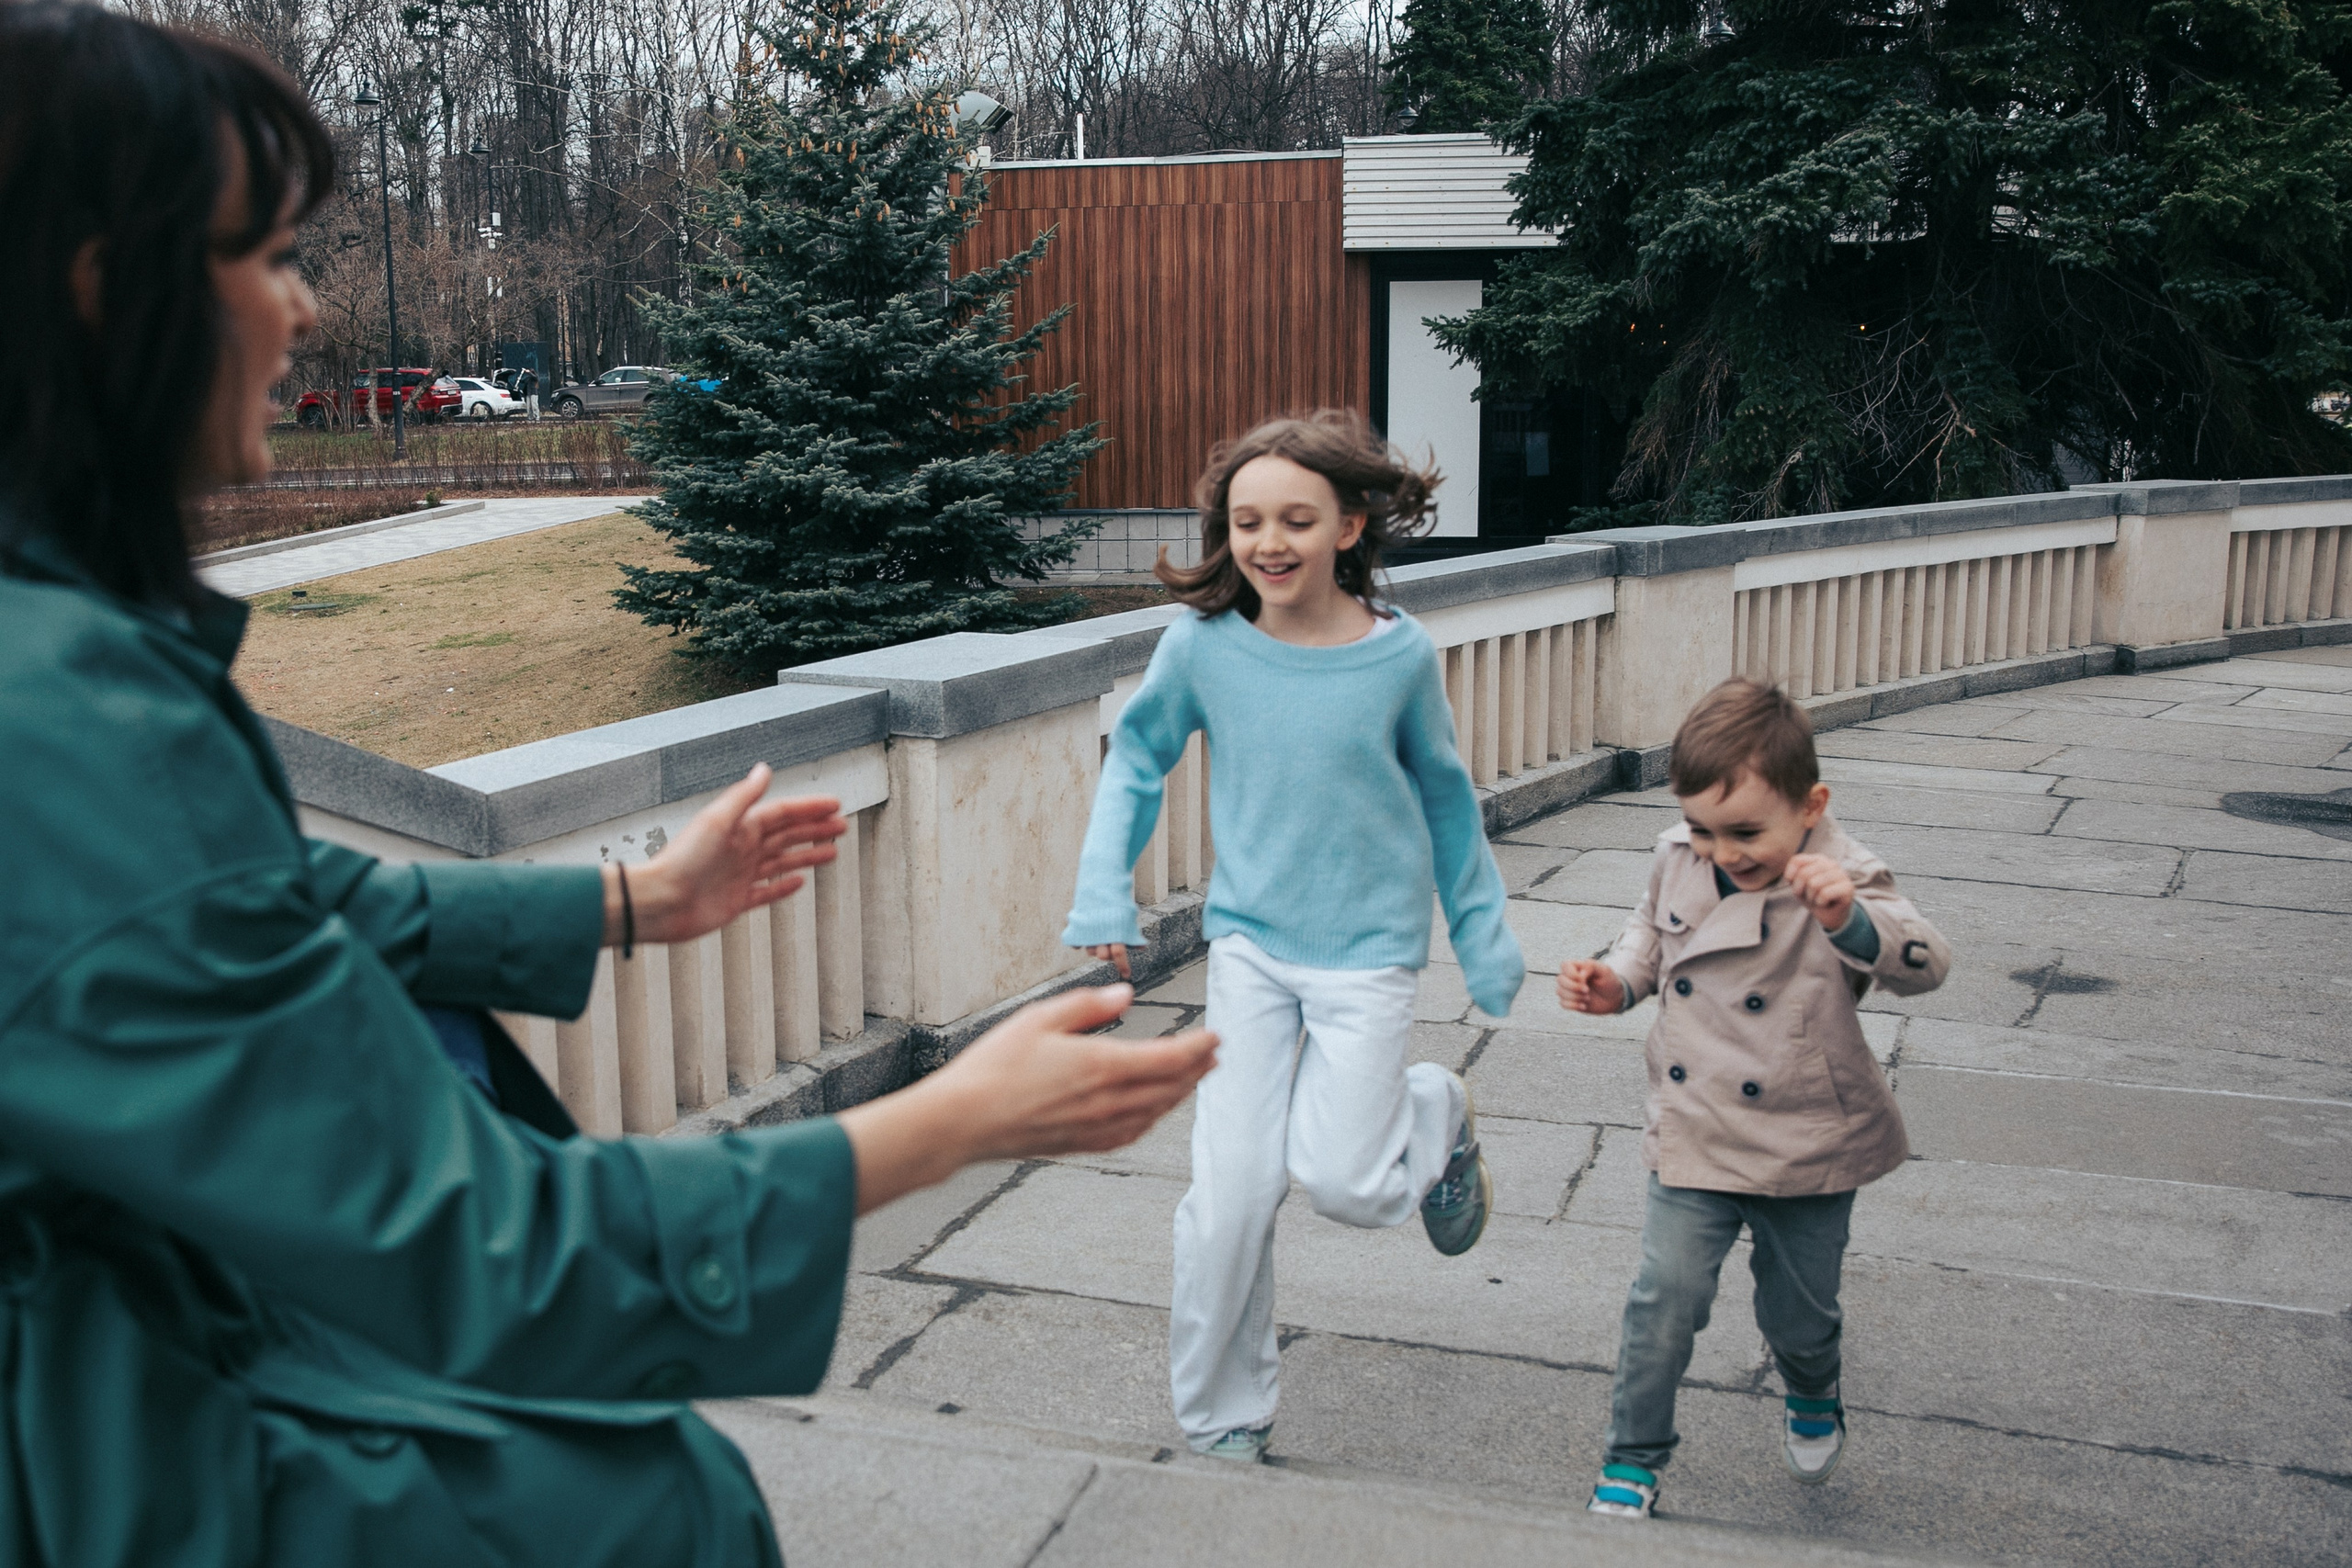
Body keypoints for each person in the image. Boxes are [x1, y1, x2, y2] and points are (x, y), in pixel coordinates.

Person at [0, 6, 1216, 1563]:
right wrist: (947, 1120)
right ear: (106, 290)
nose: (302, 311)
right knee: (648, 1505)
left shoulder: (65, 669)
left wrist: (637, 898)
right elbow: (472, 1248)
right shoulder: (72, 718)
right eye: (264, 253)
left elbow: (265, 910)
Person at [1062, 411, 1525, 1464]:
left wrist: (1483, 932)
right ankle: (1226, 1411)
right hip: (1252, 954)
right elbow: (1136, 762)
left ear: (1350, 527)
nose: (1269, 542)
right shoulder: (1203, 647)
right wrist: (1103, 899)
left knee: (1352, 1186)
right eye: (1247, 521)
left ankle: (1434, 1107)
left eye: (1296, 520)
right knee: (1227, 1196)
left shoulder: (1397, 658)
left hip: (1367, 953)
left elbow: (1448, 800)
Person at [1556, 678, 1951, 1520]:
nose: (1721, 850)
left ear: (1811, 805)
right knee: (1662, 1300)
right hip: (1696, 1128)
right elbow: (1646, 942)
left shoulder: (1842, 874)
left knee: (1799, 1315)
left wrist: (1852, 922)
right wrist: (1614, 985)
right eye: (1702, 827)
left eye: (1745, 831)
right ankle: (1632, 1456)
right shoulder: (1679, 855)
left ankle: (1814, 1385)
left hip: (1807, 1137)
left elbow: (1926, 964)